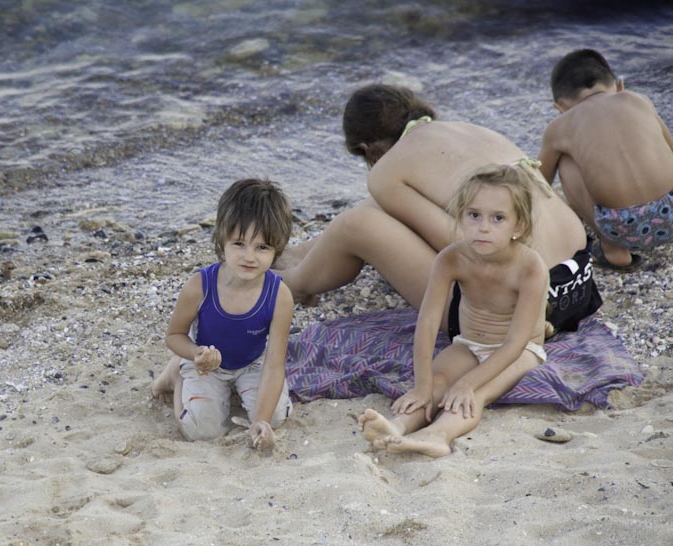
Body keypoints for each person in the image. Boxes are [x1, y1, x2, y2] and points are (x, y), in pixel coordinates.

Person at [277, 84, 602, 337]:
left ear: (367, 149)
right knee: (396, 205)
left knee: (356, 225)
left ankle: (294, 284)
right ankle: (299, 254)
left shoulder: (386, 170)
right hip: (578, 283)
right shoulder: (468, 131)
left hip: (522, 310)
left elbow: (464, 244)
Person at [357, 164, 549, 458]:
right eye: (474, 215)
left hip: (521, 350)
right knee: (438, 382)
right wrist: (422, 385)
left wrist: (468, 383)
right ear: (460, 216)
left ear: (519, 226)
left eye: (498, 218)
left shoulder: (530, 267)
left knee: (473, 394)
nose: (483, 227)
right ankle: (397, 426)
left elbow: (516, 342)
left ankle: (438, 435)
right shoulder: (451, 259)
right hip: (469, 343)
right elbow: (428, 321)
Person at [152, 178, 295, 450]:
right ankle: (176, 375)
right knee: (201, 431)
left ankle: (243, 395)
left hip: (252, 362)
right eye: (239, 243)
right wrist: (195, 354)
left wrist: (261, 421)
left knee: (275, 417)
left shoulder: (279, 296)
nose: (249, 257)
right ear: (222, 238)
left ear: (277, 248)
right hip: (206, 364)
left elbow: (274, 365)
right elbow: (174, 335)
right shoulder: (200, 286)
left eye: (262, 247)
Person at [537, 48, 673, 271]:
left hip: (621, 227)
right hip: (670, 215)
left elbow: (538, 183)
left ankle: (612, 249)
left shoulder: (560, 126)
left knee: (565, 161)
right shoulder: (638, 100)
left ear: (560, 107)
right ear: (620, 86)